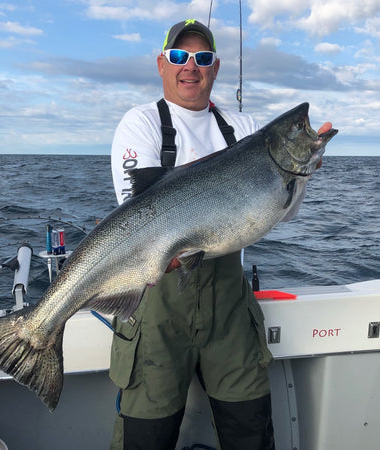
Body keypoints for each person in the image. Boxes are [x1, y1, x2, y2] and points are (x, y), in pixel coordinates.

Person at [109, 19, 275, 449]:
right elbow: (135, 210)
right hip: (156, 299)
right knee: (146, 437)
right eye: (180, 57)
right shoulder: (140, 122)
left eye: (202, 58)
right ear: (162, 64)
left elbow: (274, 212)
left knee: (251, 432)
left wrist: (298, 171)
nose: (191, 67)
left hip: (230, 306)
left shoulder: (244, 128)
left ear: (215, 68)